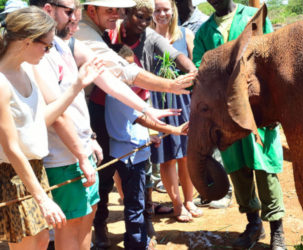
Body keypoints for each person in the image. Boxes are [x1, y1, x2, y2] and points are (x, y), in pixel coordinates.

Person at [73, 0, 195, 246]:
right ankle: (102, 231)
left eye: (146, 17)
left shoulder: (146, 36)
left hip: (133, 112)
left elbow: (174, 54)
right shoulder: (100, 33)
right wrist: (169, 90)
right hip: (107, 110)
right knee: (105, 178)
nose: (142, 22)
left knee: (139, 186)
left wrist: (193, 72)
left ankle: (142, 229)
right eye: (137, 16)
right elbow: (120, 74)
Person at [0, 6, 101, 249]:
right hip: (12, 173)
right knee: (31, 244)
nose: (47, 52)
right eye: (45, 46)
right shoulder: (2, 83)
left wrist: (77, 86)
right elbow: (12, 148)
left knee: (42, 240)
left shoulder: (25, 70)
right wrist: (42, 199)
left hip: (34, 169)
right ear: (26, 41)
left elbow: (40, 121)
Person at [193, 1, 286, 249]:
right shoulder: (204, 32)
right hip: (225, 116)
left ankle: (278, 229)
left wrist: (274, 105)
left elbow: (272, 58)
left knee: (264, 167)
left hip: (257, 110)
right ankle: (253, 223)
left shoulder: (253, 18)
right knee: (237, 169)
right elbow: (200, 74)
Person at [105, 81, 189, 249]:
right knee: (135, 204)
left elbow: (127, 126)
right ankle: (138, 244)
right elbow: (143, 119)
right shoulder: (118, 95)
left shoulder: (121, 93)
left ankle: (134, 239)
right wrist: (175, 130)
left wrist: (147, 139)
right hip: (130, 157)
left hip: (132, 153)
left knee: (136, 202)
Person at [150, 0, 204, 222]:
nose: (162, 14)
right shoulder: (147, 38)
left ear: (172, 10)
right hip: (158, 102)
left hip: (184, 100)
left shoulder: (185, 35)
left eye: (165, 9)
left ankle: (190, 199)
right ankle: (177, 204)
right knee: (167, 158)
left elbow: (195, 67)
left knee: (186, 154)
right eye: (157, 10)